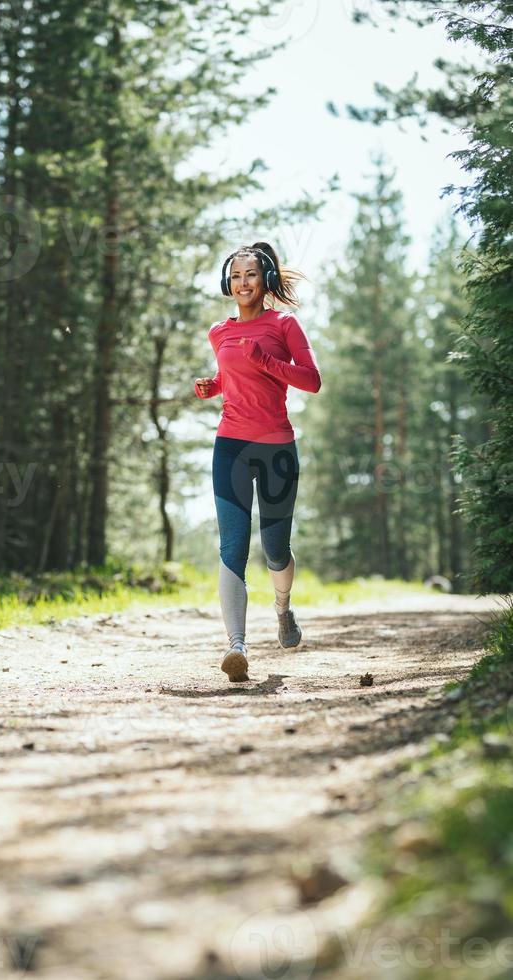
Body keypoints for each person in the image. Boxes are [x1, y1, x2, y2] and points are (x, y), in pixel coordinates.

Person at [194, 241, 322, 682]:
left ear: (265, 280)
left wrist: (266, 361)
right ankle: (237, 647)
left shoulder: (284, 325)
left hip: (276, 450)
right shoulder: (219, 332)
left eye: (249, 274)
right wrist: (214, 386)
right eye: (234, 276)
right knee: (231, 548)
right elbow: (234, 379)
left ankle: (283, 609)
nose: (241, 283)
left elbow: (312, 381)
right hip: (230, 446)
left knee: (274, 549)